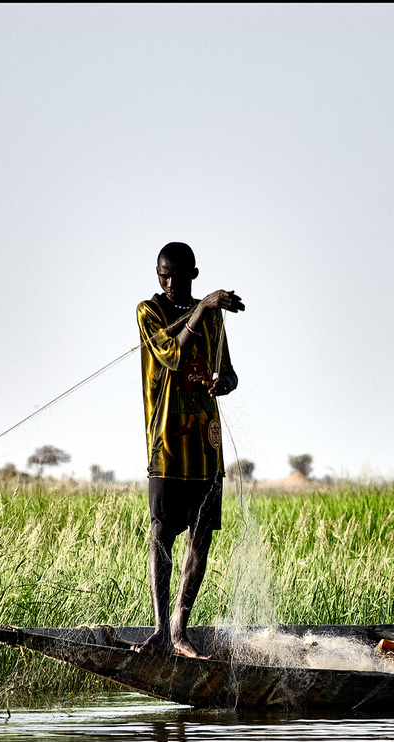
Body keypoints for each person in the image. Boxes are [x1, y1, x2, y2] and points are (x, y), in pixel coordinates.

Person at [136, 242, 244, 657]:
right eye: (163, 274)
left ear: (193, 275)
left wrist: (225, 385)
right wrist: (203, 309)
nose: (169, 282)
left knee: (201, 538)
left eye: (178, 276)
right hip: (167, 444)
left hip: (206, 447)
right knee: (162, 535)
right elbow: (172, 353)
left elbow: (230, 373)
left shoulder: (213, 317)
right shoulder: (150, 311)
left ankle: (180, 632)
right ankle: (161, 630)